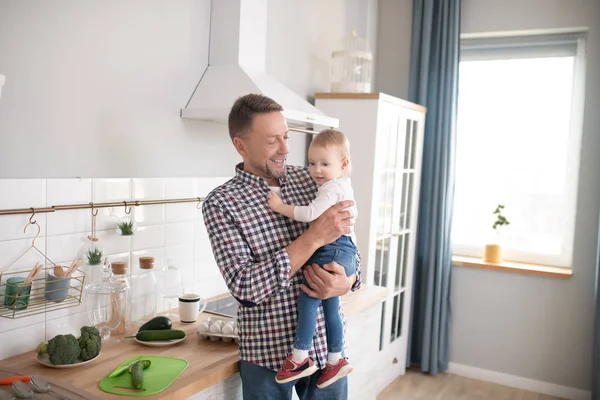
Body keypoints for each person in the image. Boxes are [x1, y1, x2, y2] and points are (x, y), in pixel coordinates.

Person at [202, 93, 362, 400]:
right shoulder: (222, 203)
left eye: (286, 137)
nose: (286, 149)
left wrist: (348, 281)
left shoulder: (312, 178)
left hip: (326, 352)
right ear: (241, 145)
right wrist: (313, 237)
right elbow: (246, 287)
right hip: (266, 356)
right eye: (273, 140)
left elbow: (348, 244)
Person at [267, 129, 357, 388]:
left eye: (324, 164)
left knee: (308, 297)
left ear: (343, 165)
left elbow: (309, 214)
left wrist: (279, 206)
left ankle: (299, 357)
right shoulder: (340, 185)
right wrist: (350, 270)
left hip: (333, 249)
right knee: (331, 308)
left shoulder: (330, 189)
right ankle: (336, 359)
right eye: (312, 163)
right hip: (345, 248)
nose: (316, 170)